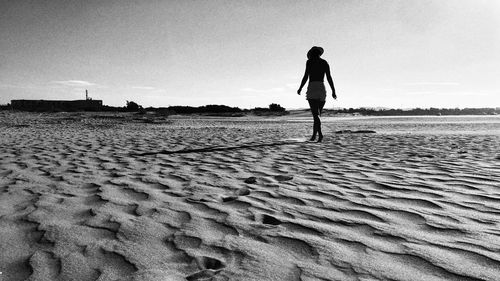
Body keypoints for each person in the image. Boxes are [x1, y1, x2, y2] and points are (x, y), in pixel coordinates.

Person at [297, 46, 336, 142]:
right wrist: (333, 91)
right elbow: (329, 78)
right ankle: (314, 136)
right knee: (317, 114)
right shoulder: (324, 62)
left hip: (312, 87)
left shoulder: (309, 62)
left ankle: (320, 134)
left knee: (315, 115)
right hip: (322, 88)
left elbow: (306, 76)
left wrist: (300, 88)